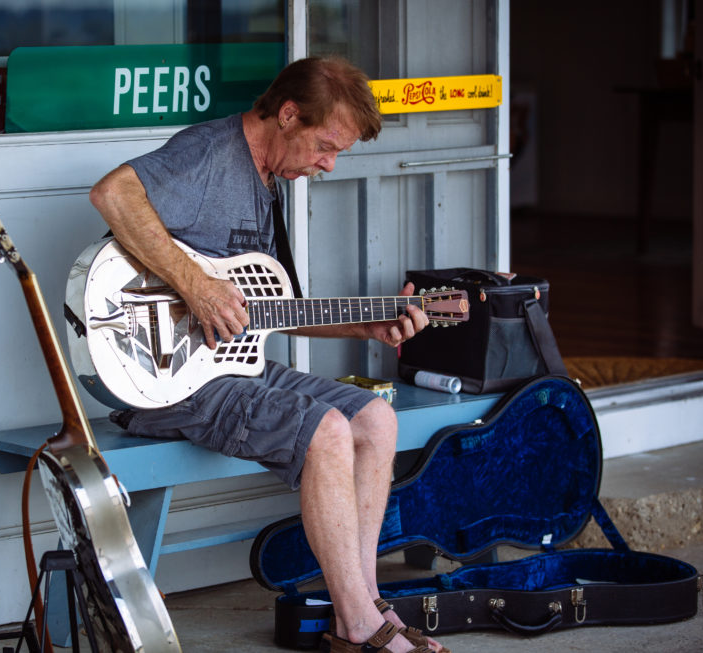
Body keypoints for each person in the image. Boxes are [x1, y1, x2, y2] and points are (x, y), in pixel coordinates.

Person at [89, 56, 444, 653]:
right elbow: (112, 193)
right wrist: (196, 286)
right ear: (287, 115)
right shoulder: (209, 152)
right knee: (328, 430)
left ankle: (361, 602)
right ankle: (359, 628)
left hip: (233, 367)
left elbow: (276, 313)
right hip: (165, 378)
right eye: (326, 146)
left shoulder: (268, 181)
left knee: (376, 419)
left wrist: (366, 327)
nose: (328, 165)